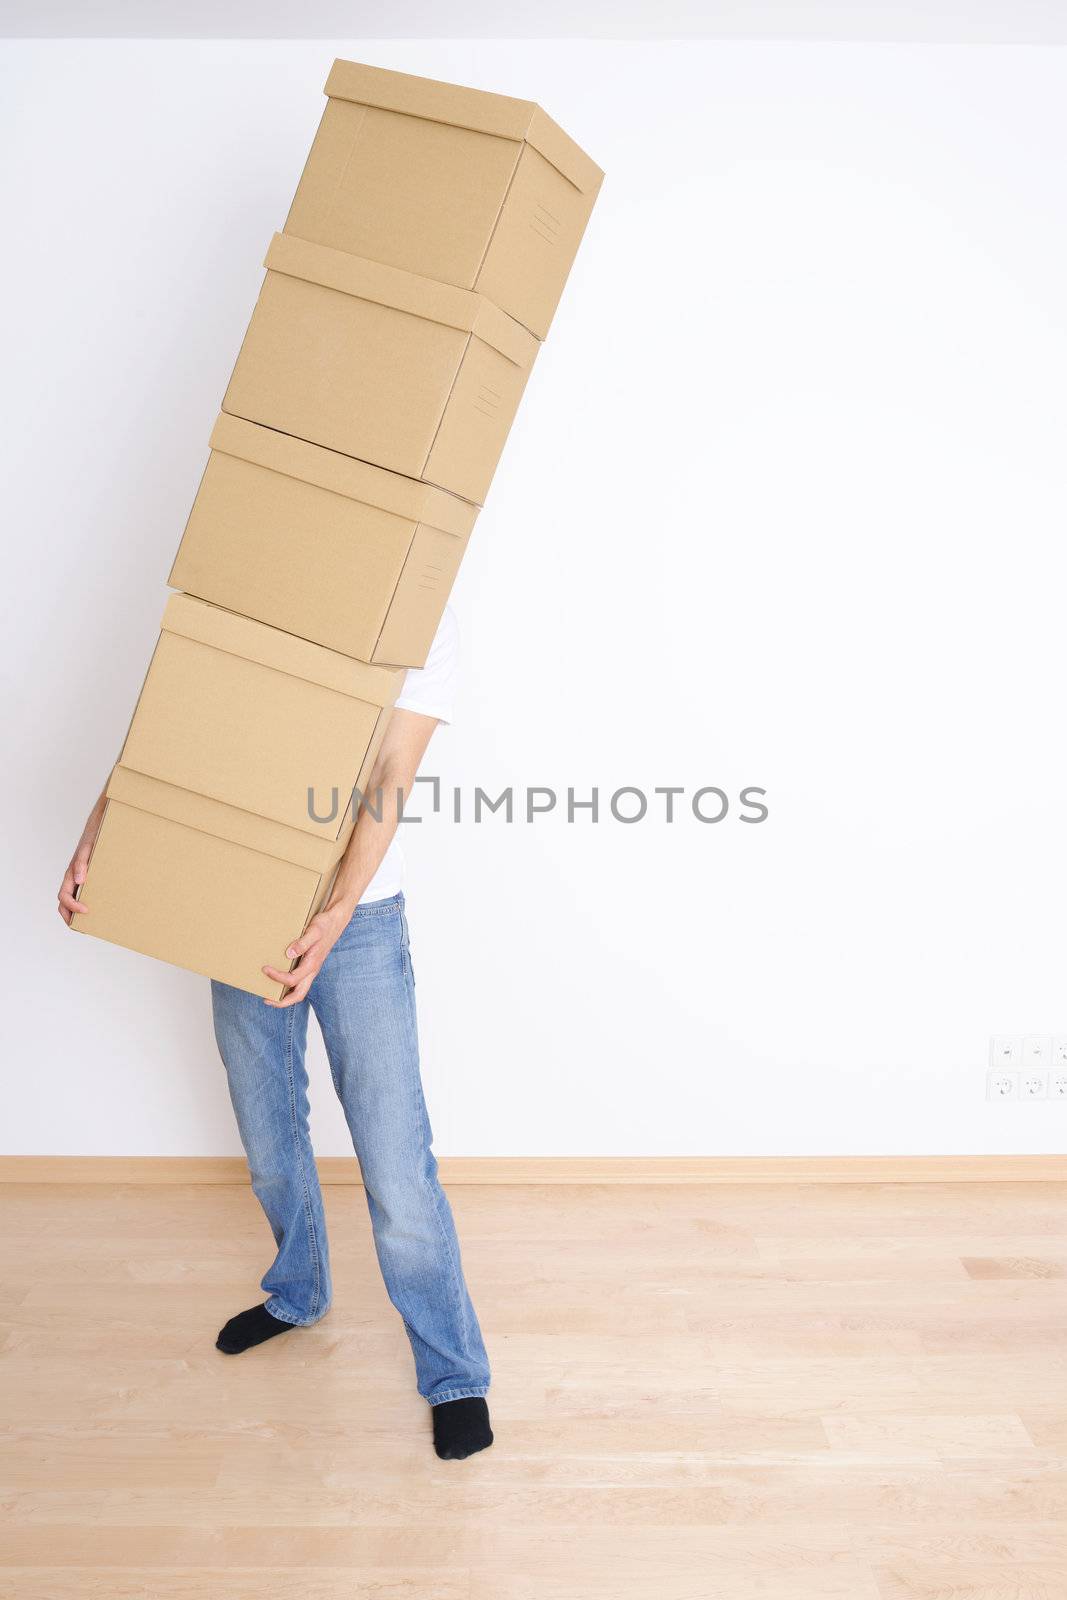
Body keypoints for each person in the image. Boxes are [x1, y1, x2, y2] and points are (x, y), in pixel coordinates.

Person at [58, 606, 493, 1461]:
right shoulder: (257, 572)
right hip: (240, 895)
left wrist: (332, 913)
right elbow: (169, 723)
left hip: (357, 920)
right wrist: (98, 833)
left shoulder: (421, 606)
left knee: (395, 1157)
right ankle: (298, 1292)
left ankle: (453, 1372)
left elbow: (391, 766)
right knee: (267, 1137)